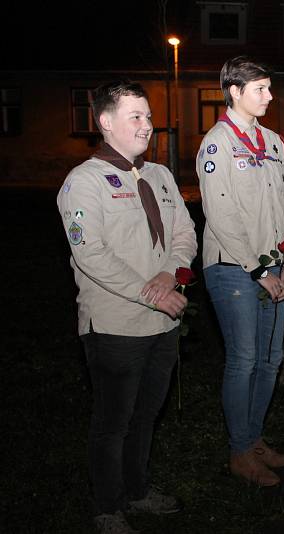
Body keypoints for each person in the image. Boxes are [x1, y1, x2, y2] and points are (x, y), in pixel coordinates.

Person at [57, 81, 197, 533]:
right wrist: (151, 291)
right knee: (112, 422)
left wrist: (172, 273)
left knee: (146, 415)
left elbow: (184, 235)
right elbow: (90, 254)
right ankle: (108, 508)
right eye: (135, 116)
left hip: (163, 321)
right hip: (116, 326)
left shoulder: (159, 176)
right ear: (105, 122)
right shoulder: (84, 182)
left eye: (149, 116)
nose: (147, 125)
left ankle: (137, 492)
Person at [197, 56, 284, 486]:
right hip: (234, 269)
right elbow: (220, 215)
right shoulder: (217, 144)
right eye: (261, 89)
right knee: (244, 359)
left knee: (271, 360)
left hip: (275, 266)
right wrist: (261, 271)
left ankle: (254, 439)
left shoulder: (273, 142)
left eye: (270, 88)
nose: (270, 96)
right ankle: (240, 451)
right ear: (234, 91)